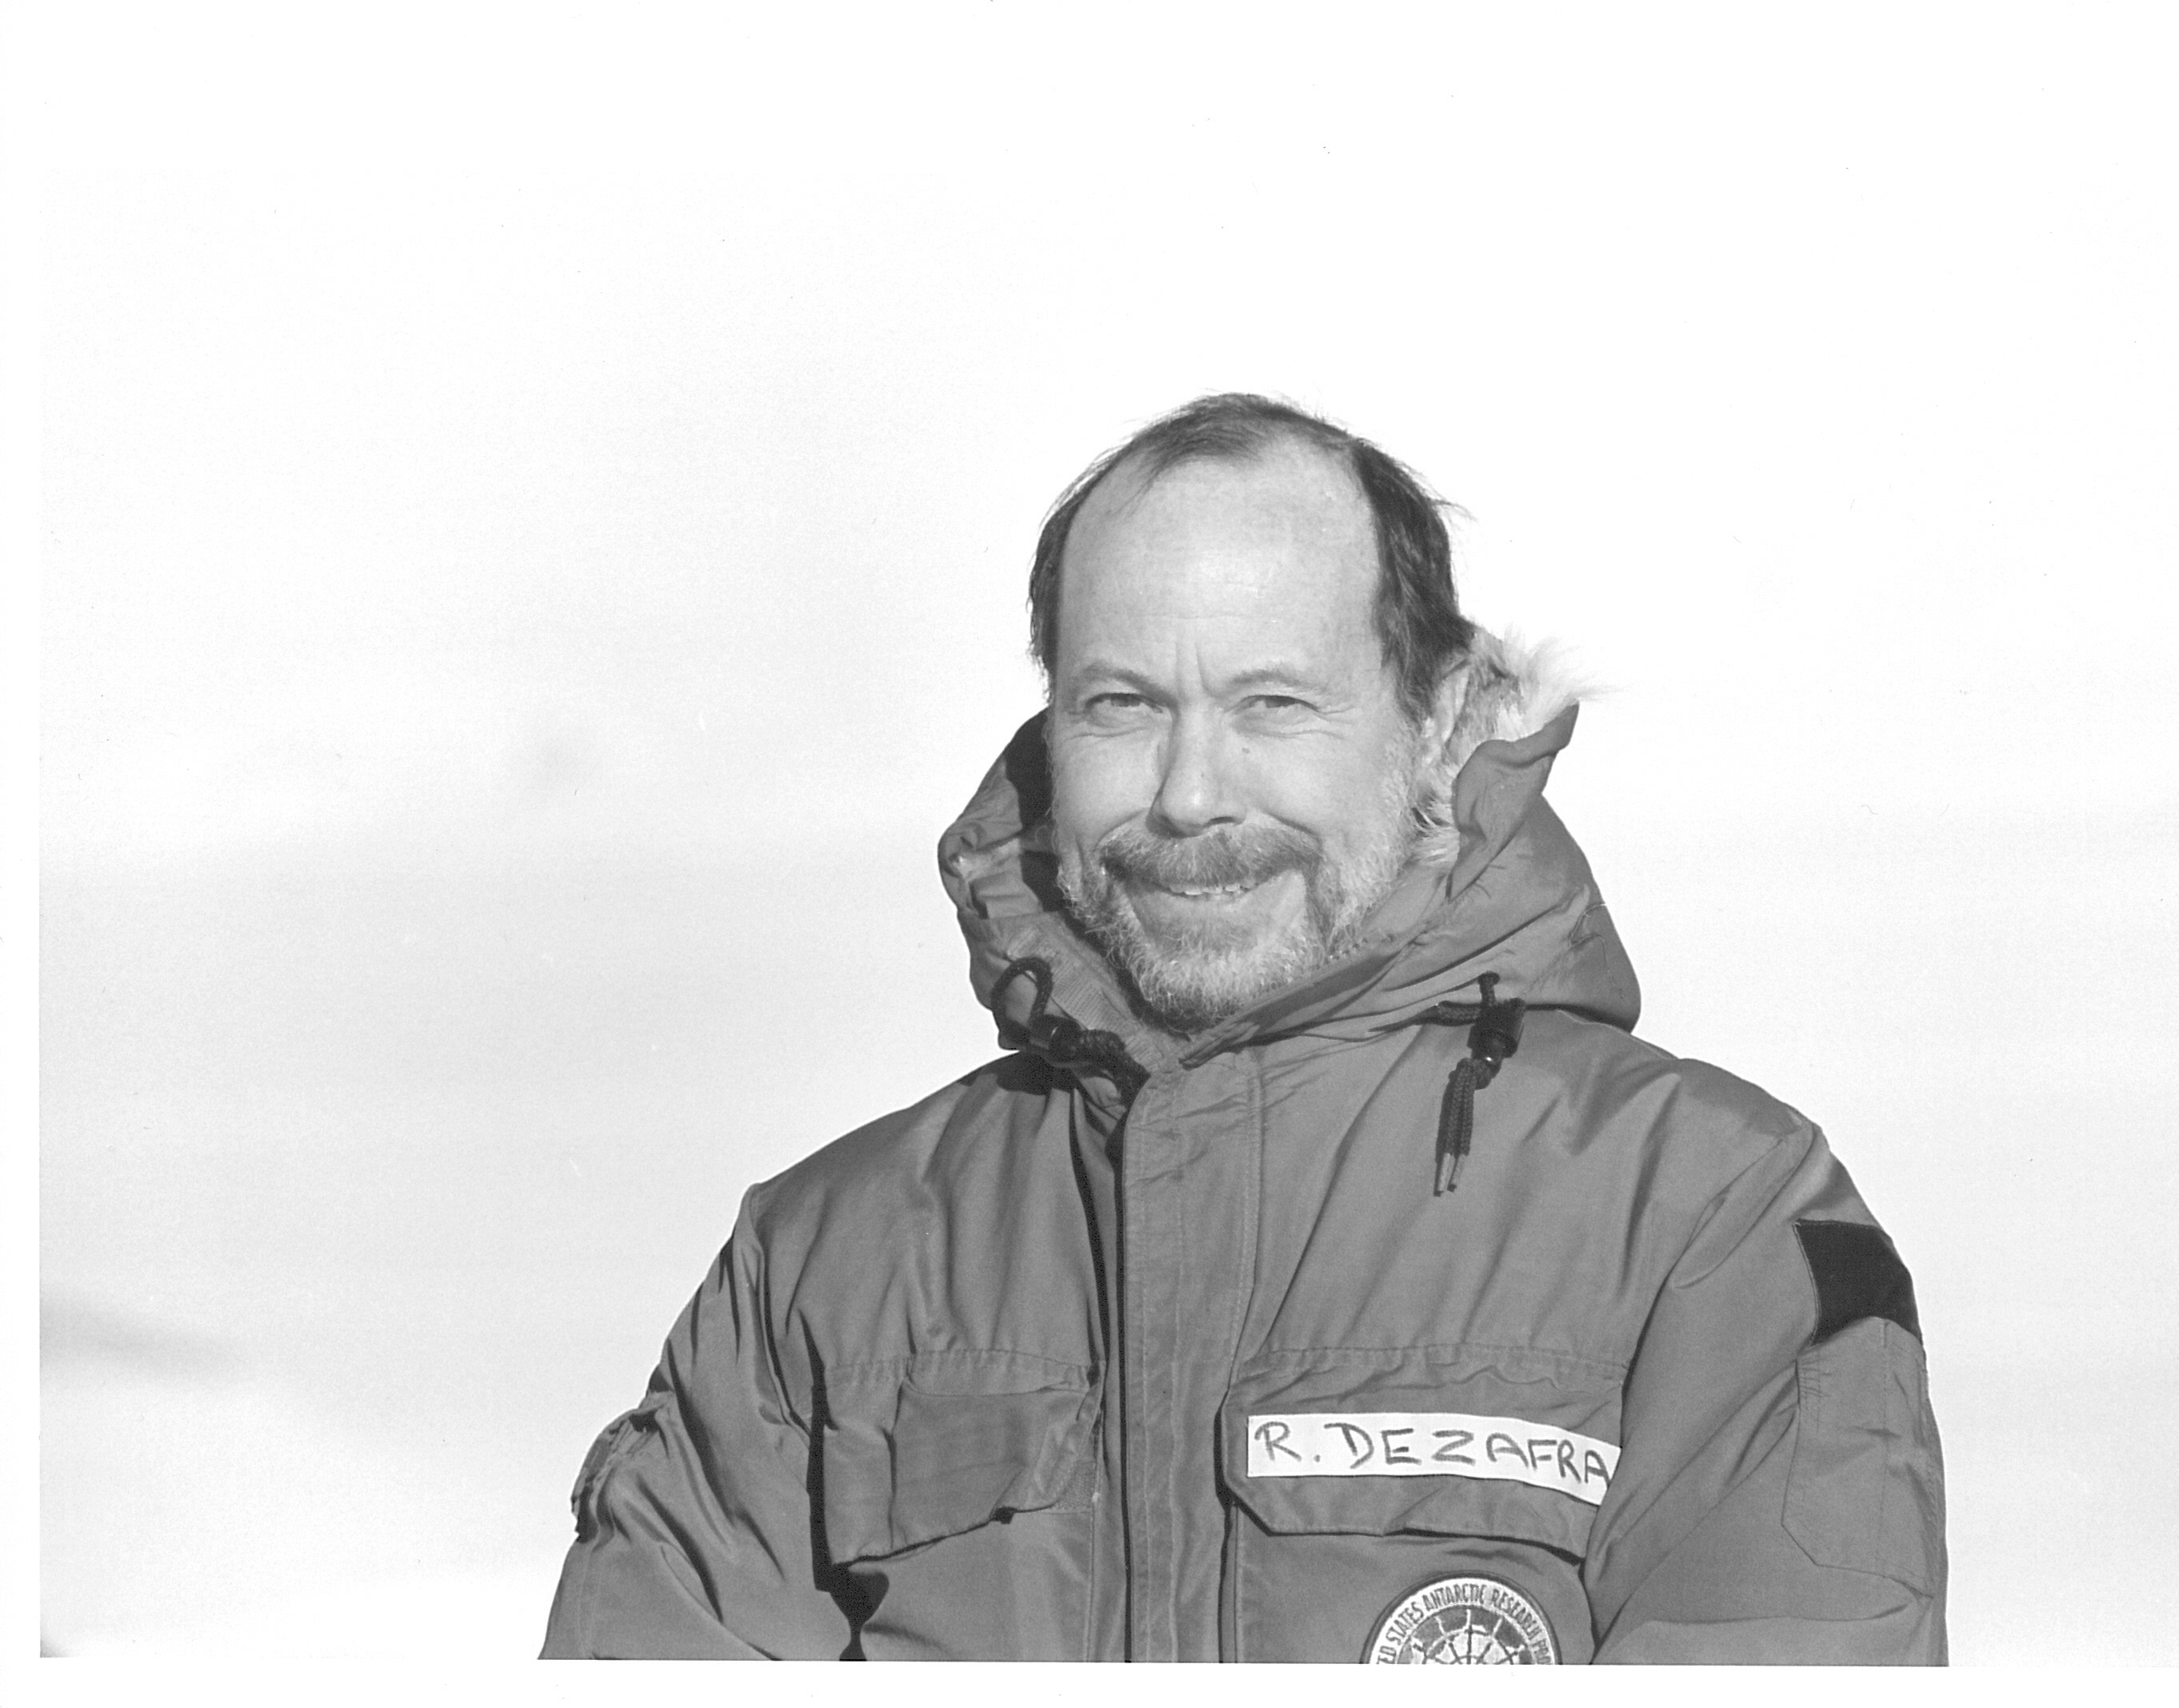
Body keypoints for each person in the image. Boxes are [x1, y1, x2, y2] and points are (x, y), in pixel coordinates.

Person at [540, 393, 1949, 1663]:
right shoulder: (829, 1264)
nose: (1191, 795)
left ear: (1441, 720)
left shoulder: (1709, 1219)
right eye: (1122, 708)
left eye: (1273, 705)